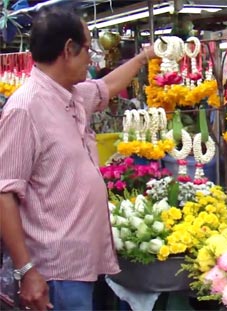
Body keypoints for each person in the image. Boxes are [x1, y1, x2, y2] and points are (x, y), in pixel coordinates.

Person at [0, 6, 155, 311]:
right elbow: (4, 193)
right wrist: (26, 271)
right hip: (56, 272)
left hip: (85, 263)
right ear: (68, 50)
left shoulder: (71, 95)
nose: (93, 57)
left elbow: (107, 87)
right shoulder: (25, 108)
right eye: (87, 48)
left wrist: (144, 58)